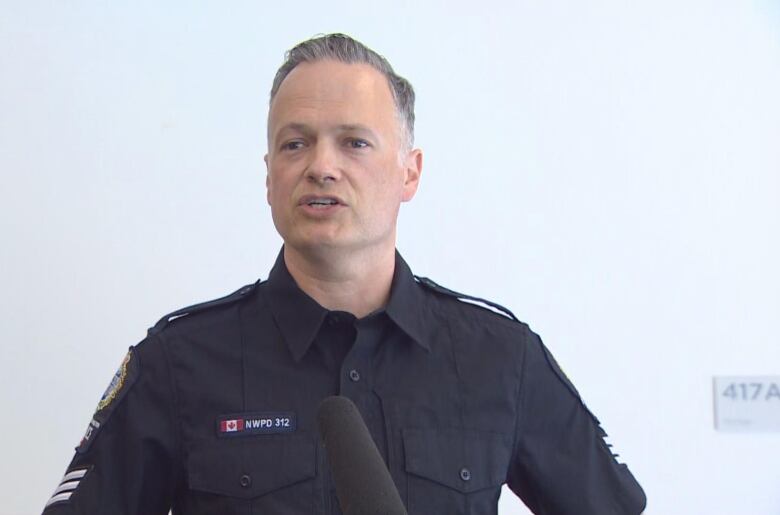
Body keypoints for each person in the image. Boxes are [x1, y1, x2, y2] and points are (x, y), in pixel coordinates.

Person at [43, 33, 646, 514]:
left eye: (354, 143)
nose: (321, 167)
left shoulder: (499, 358)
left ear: (409, 173)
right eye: (295, 144)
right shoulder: (179, 363)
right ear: (269, 174)